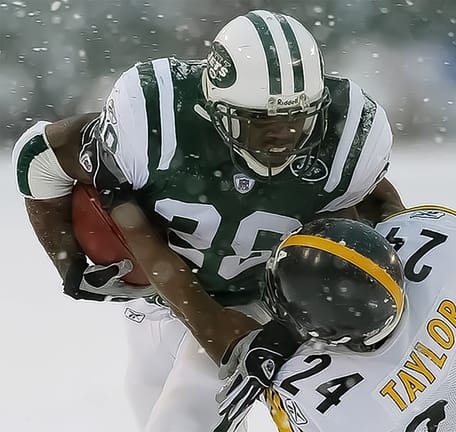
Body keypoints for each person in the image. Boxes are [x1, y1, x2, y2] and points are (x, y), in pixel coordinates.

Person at [11, 9, 403, 432]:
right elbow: (39, 158)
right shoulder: (155, 119)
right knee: (148, 402)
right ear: (217, 108)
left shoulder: (344, 132)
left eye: (296, 117)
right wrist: (67, 260)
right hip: (162, 300)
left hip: (275, 297)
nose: (282, 136)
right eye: (259, 121)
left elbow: (380, 205)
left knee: (183, 421)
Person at [221, 205, 456, 432]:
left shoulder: (314, 396)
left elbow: (269, 388)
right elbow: (391, 209)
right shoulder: (449, 250)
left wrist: (279, 336)